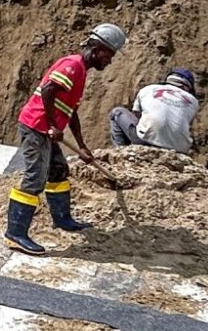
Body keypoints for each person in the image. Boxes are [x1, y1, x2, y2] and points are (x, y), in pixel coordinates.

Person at [7, 23, 125, 256]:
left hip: (45, 128)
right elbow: (49, 90)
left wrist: (82, 146)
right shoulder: (72, 66)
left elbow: (71, 112)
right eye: (108, 55)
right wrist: (51, 125)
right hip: (36, 126)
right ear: (97, 48)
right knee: (35, 178)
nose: (108, 61)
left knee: (59, 170)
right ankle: (15, 234)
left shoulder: (81, 72)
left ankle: (62, 218)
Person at [109, 69, 200, 153]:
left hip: (145, 141)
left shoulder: (147, 89)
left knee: (117, 112)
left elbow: (137, 116)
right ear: (188, 86)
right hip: (179, 149)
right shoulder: (193, 101)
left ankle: (121, 153)